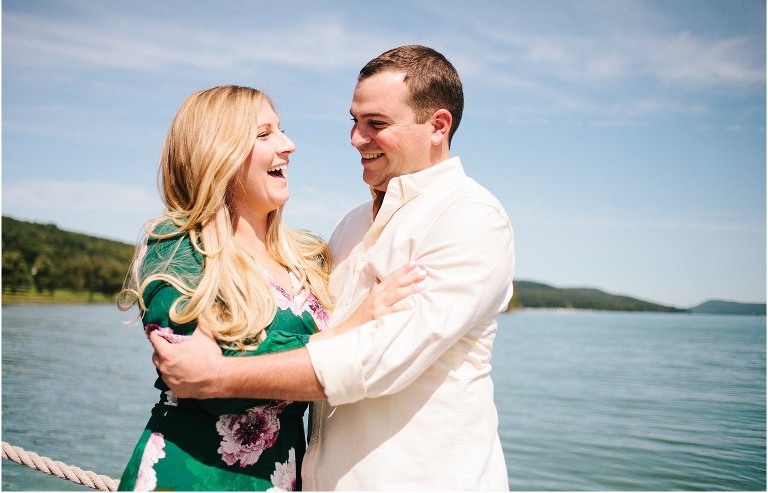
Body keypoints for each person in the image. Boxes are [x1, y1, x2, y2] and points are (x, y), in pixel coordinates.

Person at [151, 45, 515, 490]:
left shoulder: (469, 218)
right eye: (354, 121)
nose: (356, 139)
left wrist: (216, 377)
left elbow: (376, 361)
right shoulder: (350, 226)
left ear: (438, 125)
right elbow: (314, 336)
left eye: (376, 124)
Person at [117, 85, 425, 491]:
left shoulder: (308, 257)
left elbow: (233, 367)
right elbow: (212, 385)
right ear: (217, 152)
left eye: (281, 130)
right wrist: (357, 324)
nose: (289, 145)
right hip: (191, 476)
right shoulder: (175, 248)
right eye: (264, 134)